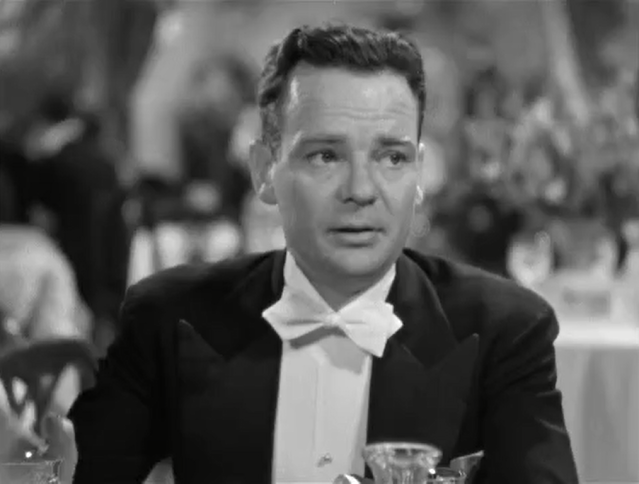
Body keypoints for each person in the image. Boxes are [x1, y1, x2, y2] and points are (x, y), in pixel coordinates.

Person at [68, 24, 578, 484]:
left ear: (420, 174)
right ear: (265, 171)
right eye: (326, 156)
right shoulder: (169, 319)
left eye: (392, 157)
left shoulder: (504, 332)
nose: (361, 190)